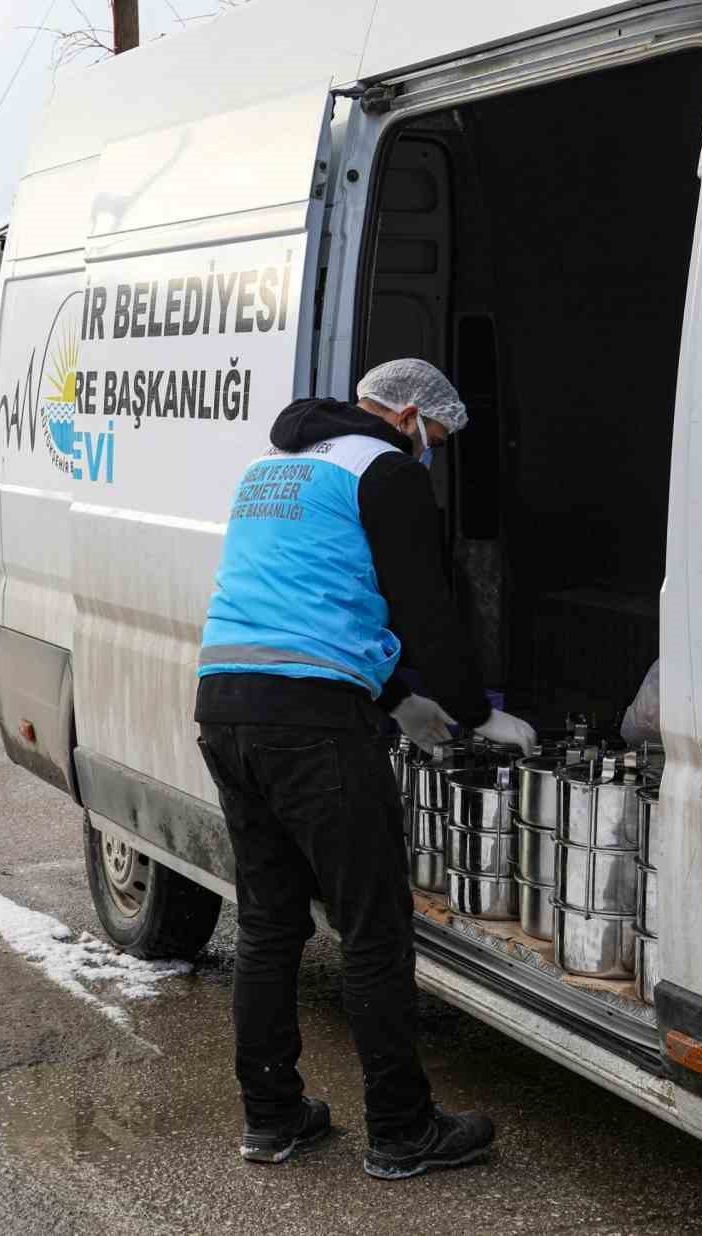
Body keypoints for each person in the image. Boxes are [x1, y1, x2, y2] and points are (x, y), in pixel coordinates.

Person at [195, 358, 537, 1180]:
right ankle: (401, 1129)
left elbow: (309, 597)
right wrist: (471, 710)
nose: (433, 452)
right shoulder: (385, 469)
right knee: (374, 928)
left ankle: (272, 1120)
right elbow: (423, 604)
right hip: (314, 727)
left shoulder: (269, 467)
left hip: (225, 706)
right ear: (410, 414)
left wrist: (390, 698)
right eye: (438, 437)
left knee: (271, 926)